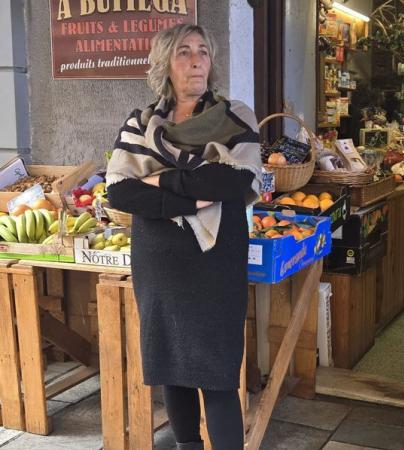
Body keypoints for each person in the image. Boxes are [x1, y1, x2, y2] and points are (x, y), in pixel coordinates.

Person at [106, 24, 262, 450]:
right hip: (160, 262)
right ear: (165, 64)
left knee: (217, 370)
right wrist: (190, 195)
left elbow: (234, 182)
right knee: (172, 364)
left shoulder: (235, 116)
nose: (196, 61)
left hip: (216, 259)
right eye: (183, 53)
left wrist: (158, 182)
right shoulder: (140, 122)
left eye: (203, 52)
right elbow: (119, 189)